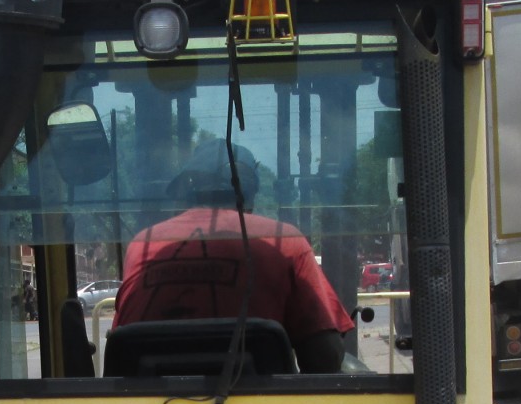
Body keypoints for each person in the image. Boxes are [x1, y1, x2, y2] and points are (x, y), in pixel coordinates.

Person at [115, 142, 353, 373]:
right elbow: (324, 357)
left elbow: (122, 348)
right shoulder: (283, 242)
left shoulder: (143, 244)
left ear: (188, 190)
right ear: (249, 190)